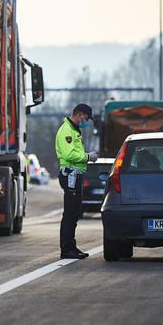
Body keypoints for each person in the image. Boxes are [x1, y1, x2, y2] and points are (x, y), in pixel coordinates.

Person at [55, 103, 99, 259]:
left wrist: (86, 156)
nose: (86, 121)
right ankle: (66, 249)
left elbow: (74, 152)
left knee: (74, 213)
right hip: (70, 175)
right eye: (86, 118)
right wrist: (88, 157)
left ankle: (71, 246)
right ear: (79, 115)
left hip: (75, 175)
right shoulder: (67, 131)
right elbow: (69, 155)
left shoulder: (74, 131)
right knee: (70, 213)